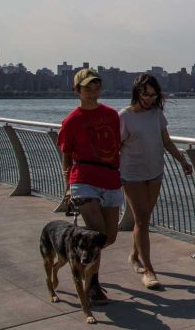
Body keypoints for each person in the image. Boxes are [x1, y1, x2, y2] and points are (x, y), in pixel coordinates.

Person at [120, 73, 193, 289]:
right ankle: (149, 270)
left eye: (153, 95)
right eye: (145, 94)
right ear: (137, 93)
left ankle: (134, 255)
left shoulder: (156, 113)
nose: (150, 99)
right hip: (131, 174)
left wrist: (182, 161)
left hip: (155, 172)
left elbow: (166, 141)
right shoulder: (124, 116)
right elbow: (115, 146)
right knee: (142, 219)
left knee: (144, 218)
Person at [59, 68, 122, 304]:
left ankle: (80, 259)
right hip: (83, 179)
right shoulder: (72, 120)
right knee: (98, 235)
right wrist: (67, 186)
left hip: (110, 179)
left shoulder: (112, 115)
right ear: (77, 91)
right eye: (87, 88)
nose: (93, 91)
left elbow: (116, 145)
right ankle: (93, 286)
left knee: (110, 237)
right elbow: (66, 155)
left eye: (96, 86)